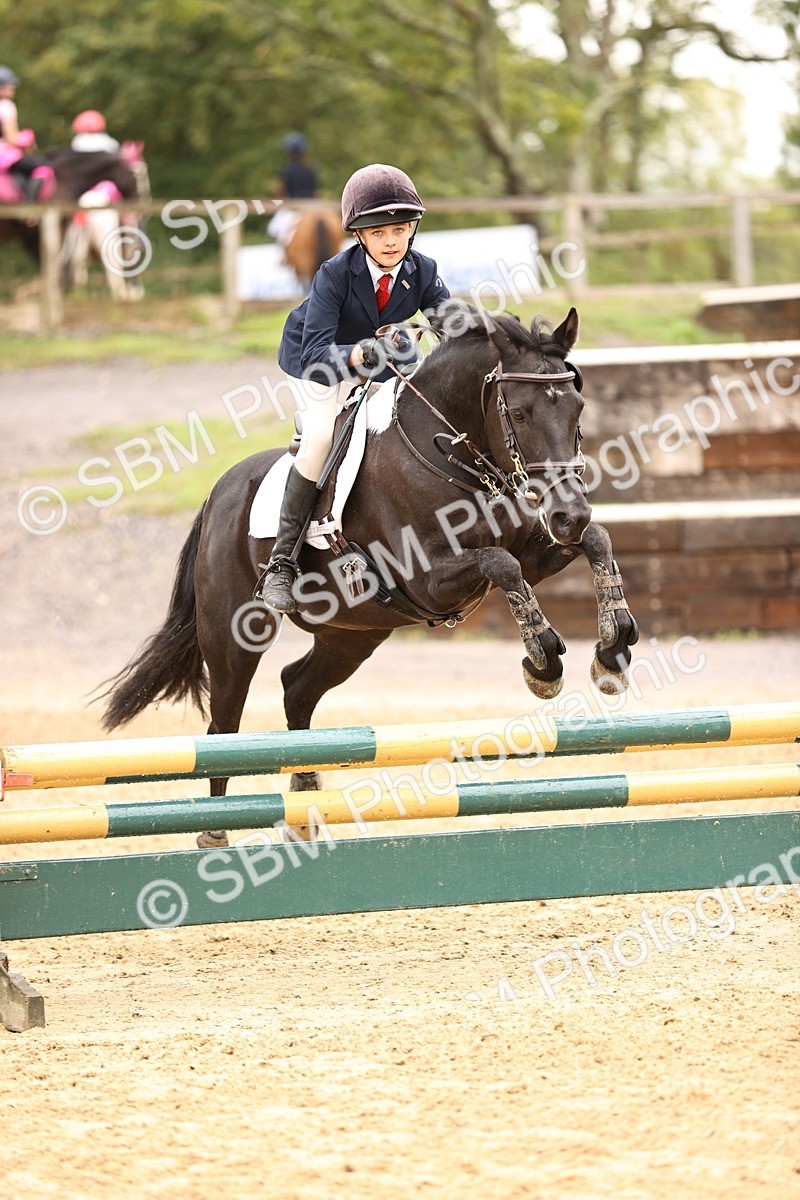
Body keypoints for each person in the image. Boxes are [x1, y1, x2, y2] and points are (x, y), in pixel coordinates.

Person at [258, 162, 451, 614]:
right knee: (323, 439)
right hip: (318, 363)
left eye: (400, 230)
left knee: (407, 421)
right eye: (380, 232)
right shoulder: (335, 273)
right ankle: (281, 562)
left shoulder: (422, 270)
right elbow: (316, 354)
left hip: (383, 358)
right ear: (360, 235)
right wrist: (364, 355)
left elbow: (451, 323)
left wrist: (491, 338)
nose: (391, 241)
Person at [0, 64, 45, 201]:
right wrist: (26, 139)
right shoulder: (6, 106)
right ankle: (29, 208)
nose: (13, 88)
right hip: (4, 156)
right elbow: (12, 138)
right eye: (9, 85)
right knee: (42, 168)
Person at [267, 132, 319, 247]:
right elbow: (315, 190)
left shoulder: (288, 169)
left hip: (294, 207)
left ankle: (285, 254)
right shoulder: (311, 168)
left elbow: (285, 191)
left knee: (275, 228)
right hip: (312, 206)